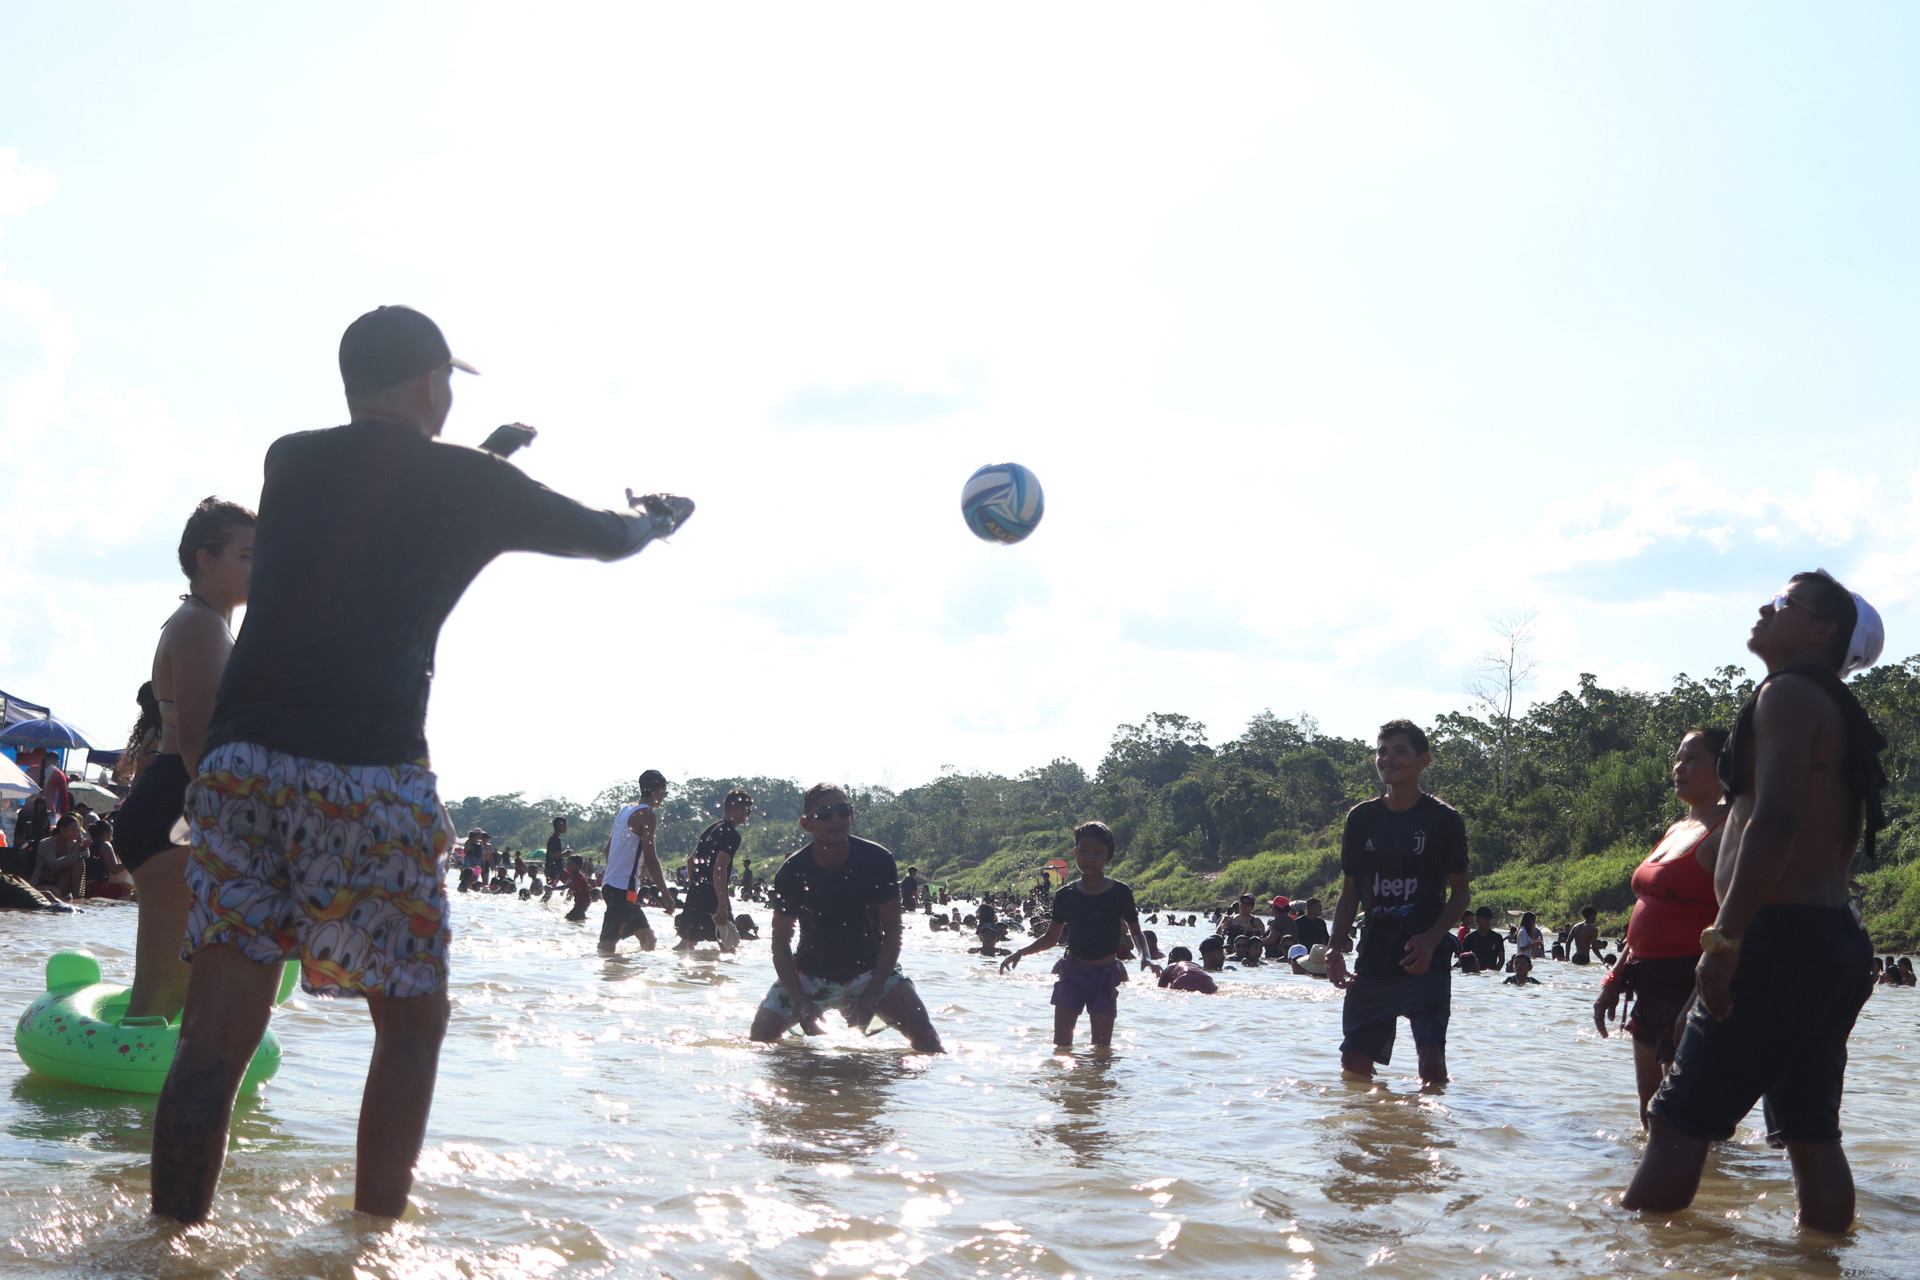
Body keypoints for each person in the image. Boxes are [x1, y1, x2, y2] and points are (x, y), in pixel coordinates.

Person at [149, 304, 694, 1225]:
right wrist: (653, 519)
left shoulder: (291, 461)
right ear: (430, 381)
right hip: (365, 767)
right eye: (445, 380)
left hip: (239, 769)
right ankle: (367, 1244)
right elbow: (597, 535)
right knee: (409, 1020)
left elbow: (377, 521)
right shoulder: (465, 481)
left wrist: (487, 459)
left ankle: (162, 1245)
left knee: (214, 1031)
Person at [1625, 572, 1887, 1233]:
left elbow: (1775, 824)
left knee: (1674, 1119)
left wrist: (1723, 942)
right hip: (1832, 944)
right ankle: (1823, 1264)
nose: (1766, 608)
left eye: (1786, 604)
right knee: (1810, 1133)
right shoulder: (1834, 708)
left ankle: (1628, 1258)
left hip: (1778, 941)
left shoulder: (1789, 693)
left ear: (1824, 631)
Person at [111, 499, 259, 1016]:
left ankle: (131, 1100)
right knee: (163, 992)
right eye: (246, 555)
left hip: (174, 805)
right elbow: (198, 739)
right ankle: (117, 1100)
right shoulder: (199, 626)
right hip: (177, 810)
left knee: (175, 986)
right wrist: (228, 826)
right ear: (205, 559)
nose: (258, 568)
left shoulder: (211, 624)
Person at [1593, 728, 1729, 1127]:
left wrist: (1694, 1003)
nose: (1678, 767)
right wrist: (1614, 979)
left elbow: (1737, 921)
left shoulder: (1730, 831)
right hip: (1647, 984)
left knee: (1681, 1115)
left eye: (1692, 760)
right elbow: (1647, 911)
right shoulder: (1676, 829)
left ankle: (1708, 1182)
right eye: (1678, 758)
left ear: (1723, 770)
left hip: (1689, 982)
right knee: (1649, 1110)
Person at [1326, 720, 1471, 1088]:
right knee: (1353, 1065)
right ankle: (1373, 1130)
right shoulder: (1361, 819)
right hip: (1374, 957)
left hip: (1424, 960)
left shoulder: (1443, 820)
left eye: (1399, 751)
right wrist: (1333, 949)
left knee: (1432, 1065)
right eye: (1382, 751)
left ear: (1423, 761)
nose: (1387, 759)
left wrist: (1432, 938)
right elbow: (1351, 891)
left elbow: (1461, 893)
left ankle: (1429, 1132)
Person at [749, 784, 942, 1052]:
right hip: (810, 972)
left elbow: (894, 933)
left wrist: (873, 993)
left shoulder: (878, 860)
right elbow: (780, 945)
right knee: (759, 1040)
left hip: (870, 970)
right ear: (807, 824)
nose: (836, 819)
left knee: (928, 1042)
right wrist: (803, 1004)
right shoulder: (792, 871)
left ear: (852, 816)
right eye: (825, 814)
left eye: (843, 811)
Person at [1000, 821, 1155, 1048]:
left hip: (1105, 975)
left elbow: (1136, 932)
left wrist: (1146, 956)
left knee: (1102, 1051)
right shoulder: (1066, 895)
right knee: (1062, 1047)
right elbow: (1051, 938)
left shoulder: (1121, 893)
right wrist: (1021, 953)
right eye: (1083, 851)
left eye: (1097, 853)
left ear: (1108, 857)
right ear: (1075, 853)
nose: (1089, 858)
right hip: (1072, 974)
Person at [603, 771, 678, 954]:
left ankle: (611, 975)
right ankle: (632, 978)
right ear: (658, 790)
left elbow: (608, 850)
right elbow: (651, 858)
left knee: (613, 942)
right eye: (664, 793)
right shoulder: (647, 815)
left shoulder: (625, 810)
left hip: (610, 885)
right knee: (646, 939)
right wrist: (665, 895)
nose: (663, 797)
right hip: (623, 890)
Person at [677, 788, 749, 952]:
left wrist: (695, 887)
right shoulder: (732, 834)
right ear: (737, 809)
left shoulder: (710, 830)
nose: (748, 815)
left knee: (686, 946)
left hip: (696, 894)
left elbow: (691, 861)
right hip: (715, 897)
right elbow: (719, 868)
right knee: (729, 947)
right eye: (747, 810)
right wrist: (722, 905)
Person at [31, 813, 89, 900]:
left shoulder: (74, 844)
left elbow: (86, 855)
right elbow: (54, 864)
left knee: (79, 862)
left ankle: (76, 897)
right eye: (73, 830)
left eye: (78, 831)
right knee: (53, 893)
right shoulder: (45, 844)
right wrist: (78, 851)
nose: (76, 833)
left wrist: (81, 841)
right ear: (62, 829)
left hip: (64, 882)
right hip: (44, 882)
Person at [1459, 906, 1505, 973]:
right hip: (1475, 974)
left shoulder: (1497, 937)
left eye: (1490, 919)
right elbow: (1464, 960)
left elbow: (1501, 960)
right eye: (1486, 918)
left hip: (1491, 974)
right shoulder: (1469, 938)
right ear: (1477, 919)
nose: (1488, 921)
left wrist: (1494, 973)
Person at [563, 854, 594, 922]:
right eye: (567, 864)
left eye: (570, 865)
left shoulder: (579, 877)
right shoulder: (574, 875)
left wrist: (551, 889)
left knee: (569, 918)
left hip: (583, 903)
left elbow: (567, 886)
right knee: (578, 918)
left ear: (578, 866)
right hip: (581, 902)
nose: (567, 867)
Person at [545, 817, 568, 886]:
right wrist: (565, 854)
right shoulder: (554, 839)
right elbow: (552, 855)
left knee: (573, 884)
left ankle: (566, 896)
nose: (566, 827)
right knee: (550, 890)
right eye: (565, 825)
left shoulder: (557, 838)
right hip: (553, 869)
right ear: (559, 826)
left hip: (557, 869)